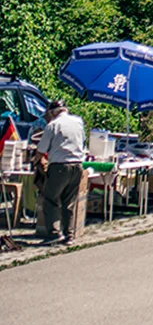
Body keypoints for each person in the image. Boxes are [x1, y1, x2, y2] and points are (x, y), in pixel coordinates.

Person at [34, 99, 86, 245]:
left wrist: (35, 160)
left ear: (52, 112)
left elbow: (41, 149)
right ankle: (69, 235)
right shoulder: (78, 122)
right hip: (77, 165)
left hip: (59, 166)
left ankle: (54, 234)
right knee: (69, 202)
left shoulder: (53, 125)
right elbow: (82, 141)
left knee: (50, 199)